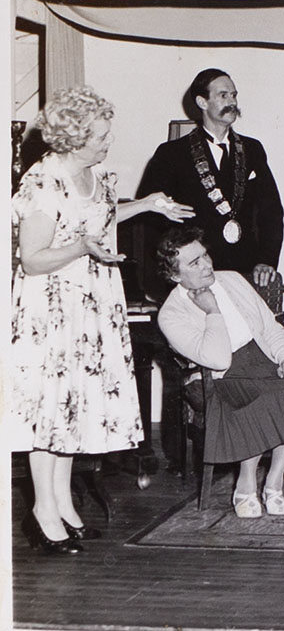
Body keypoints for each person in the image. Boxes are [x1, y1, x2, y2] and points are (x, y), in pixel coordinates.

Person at [10, 86, 193, 554]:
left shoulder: (91, 174)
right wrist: (81, 248)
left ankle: (64, 507)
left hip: (90, 304)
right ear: (74, 138)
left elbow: (103, 215)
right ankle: (42, 511)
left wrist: (147, 204)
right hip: (51, 308)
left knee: (72, 406)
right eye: (101, 135)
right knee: (48, 411)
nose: (108, 141)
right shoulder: (42, 182)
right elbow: (32, 259)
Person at [155, 227, 284, 518]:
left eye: (205, 256)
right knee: (264, 399)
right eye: (195, 263)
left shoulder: (232, 280)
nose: (207, 265)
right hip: (216, 378)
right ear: (175, 276)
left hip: (262, 362)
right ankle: (245, 483)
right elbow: (216, 359)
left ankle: (274, 482)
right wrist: (213, 310)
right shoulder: (171, 314)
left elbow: (270, 327)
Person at [138, 68, 284, 287]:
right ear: (202, 102)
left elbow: (271, 212)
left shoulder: (252, 149)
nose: (232, 101)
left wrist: (266, 260)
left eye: (234, 95)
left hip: (244, 269)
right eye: (223, 95)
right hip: (194, 271)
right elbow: (152, 219)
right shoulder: (172, 154)